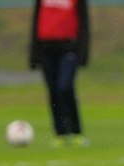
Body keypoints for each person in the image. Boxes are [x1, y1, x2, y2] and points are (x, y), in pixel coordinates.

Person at [30, 0, 90, 147]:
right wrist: (33, 54)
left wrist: (83, 53)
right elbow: (36, 21)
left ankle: (76, 131)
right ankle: (60, 133)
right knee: (53, 91)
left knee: (65, 87)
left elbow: (84, 22)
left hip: (69, 47)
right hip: (46, 49)